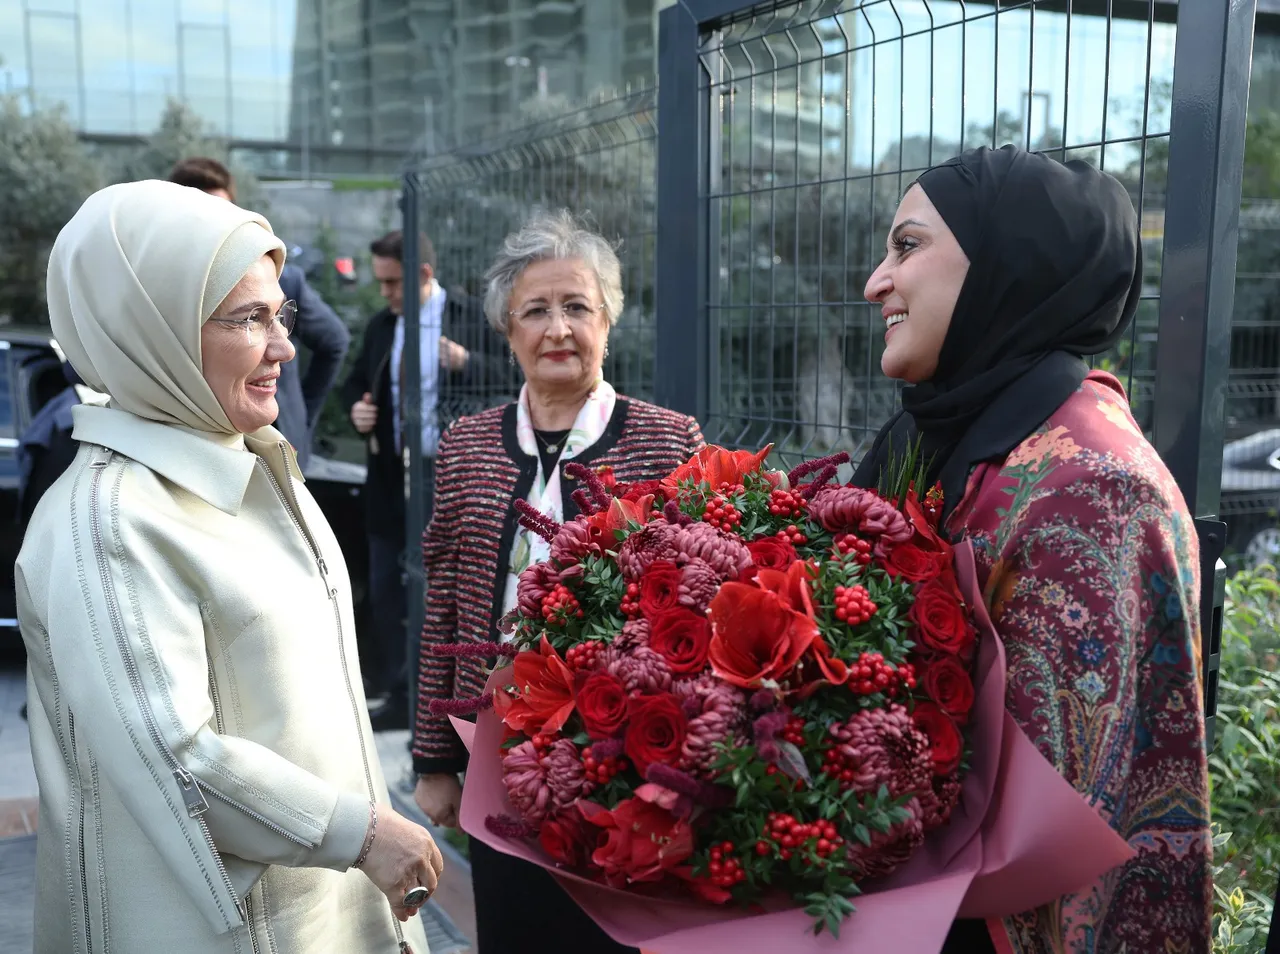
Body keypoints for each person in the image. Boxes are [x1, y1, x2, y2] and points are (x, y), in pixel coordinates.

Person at [19, 180, 440, 954]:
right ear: (153, 328)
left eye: (280, 314)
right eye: (250, 318)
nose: (284, 345)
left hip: (320, 910)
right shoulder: (109, 519)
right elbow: (173, 753)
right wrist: (364, 832)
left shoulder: (248, 463)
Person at [854, 145, 1211, 952]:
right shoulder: (938, 433)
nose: (876, 281)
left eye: (906, 247)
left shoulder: (1093, 483)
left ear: (1007, 264)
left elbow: (1059, 827)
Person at [411, 210, 705, 954]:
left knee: (621, 934)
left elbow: (700, 603)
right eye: (535, 310)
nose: (558, 329)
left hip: (629, 754)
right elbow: (443, 603)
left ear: (608, 320)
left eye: (577, 307)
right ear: (507, 329)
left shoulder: (670, 440)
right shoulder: (468, 447)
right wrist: (433, 760)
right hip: (499, 757)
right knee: (516, 930)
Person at [341, 229, 508, 731]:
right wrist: (358, 411)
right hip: (392, 476)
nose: (386, 293)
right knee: (388, 585)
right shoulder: (380, 326)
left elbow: (515, 376)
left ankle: (451, 700)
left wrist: (465, 362)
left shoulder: (470, 318)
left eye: (393, 283)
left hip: (453, 476)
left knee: (446, 589)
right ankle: (399, 694)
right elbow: (355, 382)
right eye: (380, 283)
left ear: (424, 276)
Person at [169, 156, 351, 468]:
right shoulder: (166, 289)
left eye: (225, 212)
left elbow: (334, 341)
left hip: (281, 446)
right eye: (251, 319)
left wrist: (297, 415)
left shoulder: (282, 278)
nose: (284, 349)